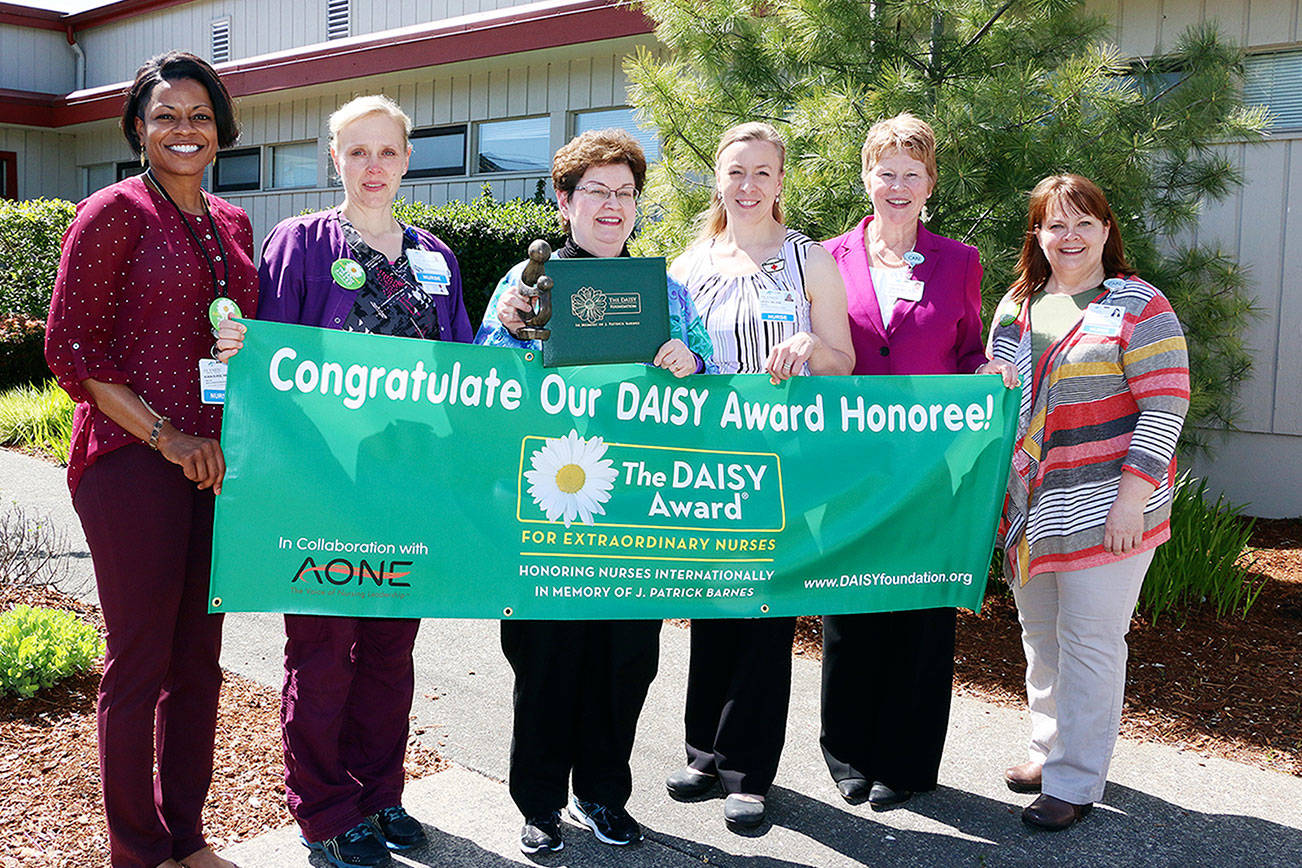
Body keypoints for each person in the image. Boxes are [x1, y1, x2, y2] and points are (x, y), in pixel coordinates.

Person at [246, 95, 474, 868]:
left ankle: (379, 793)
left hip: (409, 487)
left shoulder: (437, 254)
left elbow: (464, 370)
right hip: (322, 483)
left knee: (389, 652)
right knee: (321, 650)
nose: (373, 167)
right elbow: (270, 364)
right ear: (333, 159)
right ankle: (324, 810)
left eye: (388, 151)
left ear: (408, 160)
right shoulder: (301, 241)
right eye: (357, 152)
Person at [477, 128, 715, 855]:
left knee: (624, 661)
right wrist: (512, 336)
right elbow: (485, 385)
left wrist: (692, 361)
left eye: (625, 193)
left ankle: (603, 795)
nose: (613, 206)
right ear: (563, 200)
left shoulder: (665, 288)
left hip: (635, 509)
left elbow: (708, 376)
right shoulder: (525, 283)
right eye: (597, 192)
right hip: (549, 504)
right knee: (547, 661)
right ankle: (540, 803)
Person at [44, 51, 253, 868]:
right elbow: (75, 353)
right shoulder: (111, 212)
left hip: (216, 470)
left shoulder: (231, 225)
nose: (184, 129)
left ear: (221, 128)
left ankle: (186, 835)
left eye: (199, 116)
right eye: (165, 115)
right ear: (137, 127)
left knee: (200, 660)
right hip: (133, 461)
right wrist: (170, 436)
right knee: (139, 661)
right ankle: (136, 848)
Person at [663, 121, 855, 829]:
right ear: (718, 178)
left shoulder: (809, 260)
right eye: (736, 172)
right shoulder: (688, 264)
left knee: (765, 612)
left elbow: (844, 359)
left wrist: (811, 343)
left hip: (784, 462)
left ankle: (748, 772)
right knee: (712, 606)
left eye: (762, 173)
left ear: (781, 180)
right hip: (707, 461)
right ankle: (703, 752)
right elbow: (669, 360)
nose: (748, 186)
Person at [818, 112, 1012, 810]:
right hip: (850, 467)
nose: (897, 185)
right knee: (851, 614)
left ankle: (906, 763)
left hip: (933, 472)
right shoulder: (826, 258)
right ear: (866, 176)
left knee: (922, 614)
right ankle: (848, 754)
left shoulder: (960, 261)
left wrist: (986, 368)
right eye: (885, 171)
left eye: (912, 173)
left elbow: (963, 355)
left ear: (931, 183)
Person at [987, 174, 1189, 830]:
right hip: (1033, 506)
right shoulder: (1023, 303)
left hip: (1109, 505)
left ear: (1107, 229)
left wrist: (1132, 499)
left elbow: (1165, 403)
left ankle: (1075, 780)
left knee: (1092, 639)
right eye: (1055, 224)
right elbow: (1000, 398)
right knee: (1042, 637)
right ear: (1038, 234)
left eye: (1084, 223)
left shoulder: (1138, 304)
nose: (1069, 237)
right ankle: (1049, 750)